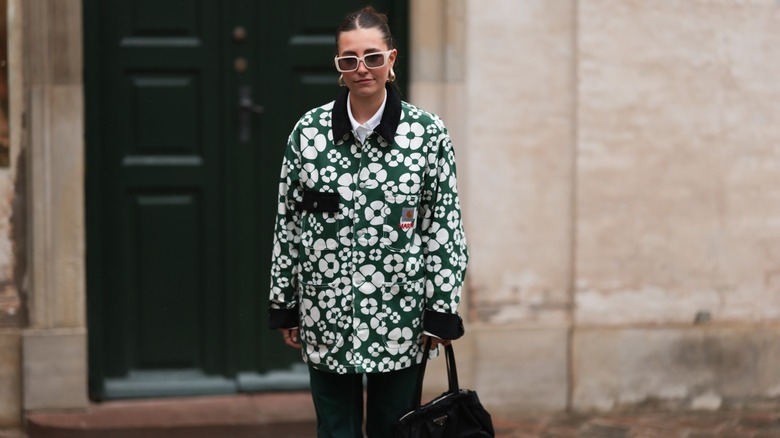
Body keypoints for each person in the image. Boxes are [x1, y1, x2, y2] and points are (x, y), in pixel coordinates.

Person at [268, 6, 468, 437]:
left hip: (401, 317)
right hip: (325, 313)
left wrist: (441, 307)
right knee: (334, 430)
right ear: (339, 66)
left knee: (393, 429)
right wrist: (284, 301)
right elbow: (289, 223)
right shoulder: (308, 133)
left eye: (373, 57)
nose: (362, 68)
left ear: (391, 60)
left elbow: (443, 224)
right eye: (350, 59)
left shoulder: (427, 133)